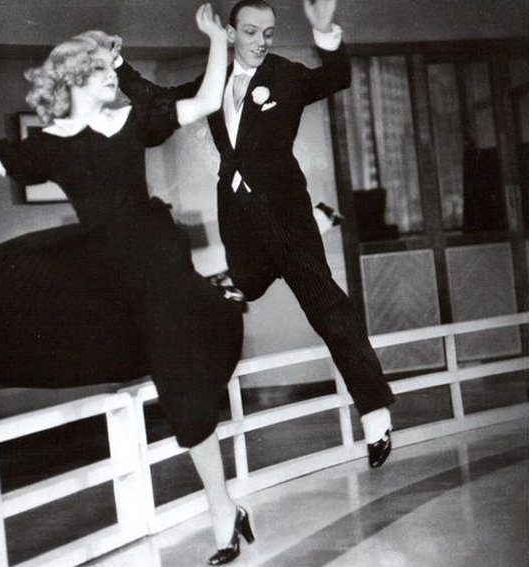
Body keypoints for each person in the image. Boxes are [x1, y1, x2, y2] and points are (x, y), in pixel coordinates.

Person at [0, 5, 254, 564]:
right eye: (101, 68)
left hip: (155, 261)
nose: (113, 75)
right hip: (106, 271)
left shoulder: (135, 120)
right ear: (73, 78)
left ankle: (221, 510)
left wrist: (217, 40)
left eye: (111, 68)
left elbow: (208, 101)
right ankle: (226, 500)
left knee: (182, 391)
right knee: (34, 288)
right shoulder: (48, 143)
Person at [114, 0, 395, 468]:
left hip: (285, 217)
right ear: (230, 34)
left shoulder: (286, 75)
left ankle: (375, 414)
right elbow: (158, 98)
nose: (261, 41)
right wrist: (119, 66)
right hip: (239, 220)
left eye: (268, 32)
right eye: (250, 32)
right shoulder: (215, 80)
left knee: (327, 309)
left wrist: (325, 31)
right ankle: (306, 233)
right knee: (243, 285)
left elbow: (337, 77)